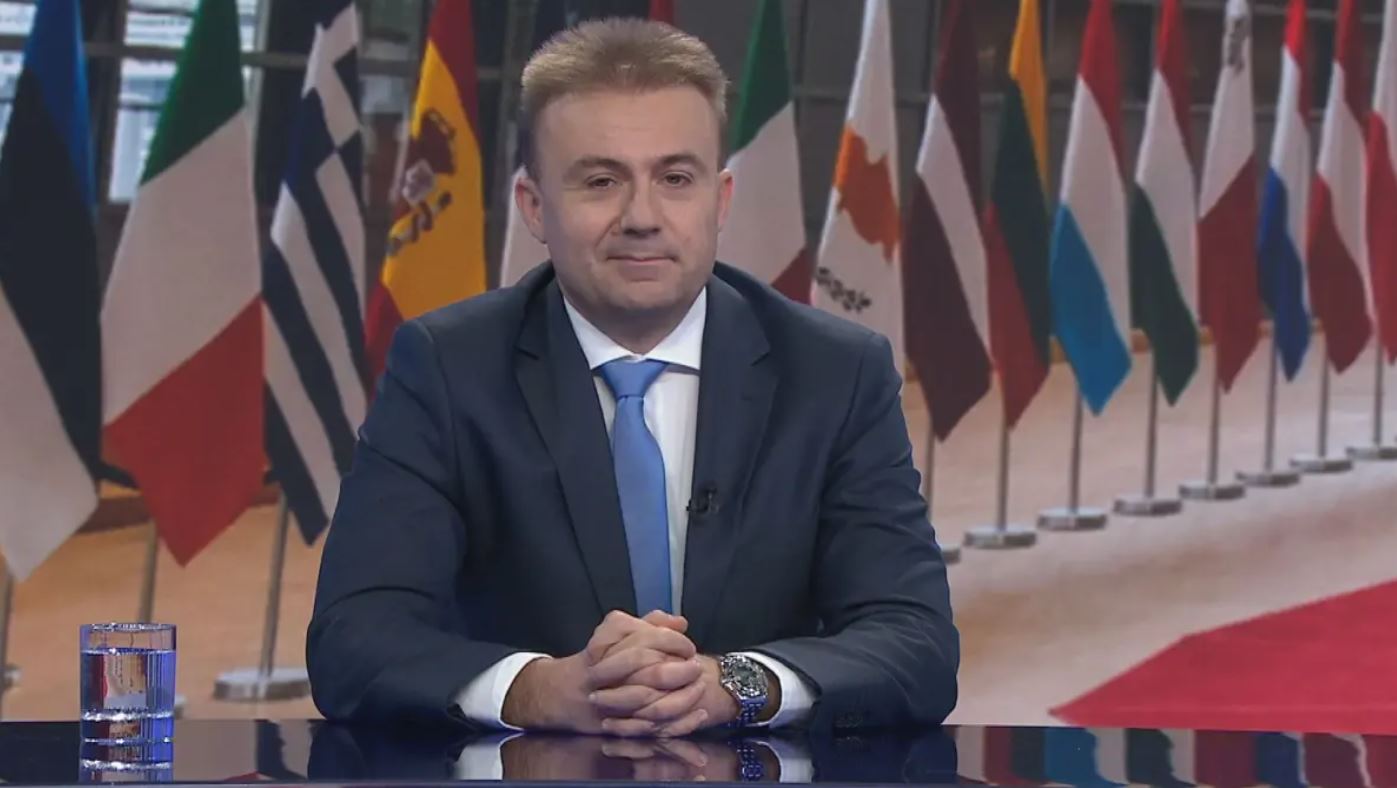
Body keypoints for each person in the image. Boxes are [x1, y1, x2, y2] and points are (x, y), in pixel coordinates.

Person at [307, 17, 957, 737]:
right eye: (600, 181)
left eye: (675, 179)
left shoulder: (835, 373)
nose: (642, 217)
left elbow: (916, 641)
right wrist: (536, 688)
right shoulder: (445, 368)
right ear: (534, 207)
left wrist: (734, 683)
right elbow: (354, 637)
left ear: (721, 199)